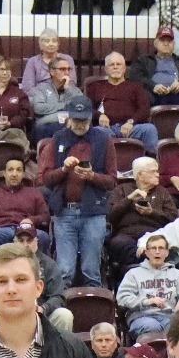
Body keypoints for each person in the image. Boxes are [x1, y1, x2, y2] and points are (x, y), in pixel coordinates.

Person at [34, 95, 115, 288]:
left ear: (91, 118)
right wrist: (64, 169)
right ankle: (61, 312)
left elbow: (112, 180)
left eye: (84, 120)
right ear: (69, 118)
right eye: (76, 119)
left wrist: (91, 176)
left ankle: (94, 312)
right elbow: (44, 180)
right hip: (64, 213)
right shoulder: (57, 139)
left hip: (94, 213)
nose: (80, 124)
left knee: (92, 270)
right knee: (64, 270)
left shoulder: (104, 139)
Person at [105, 157, 176, 275]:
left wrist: (152, 213)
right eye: (153, 171)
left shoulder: (162, 192)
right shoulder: (122, 189)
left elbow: (173, 219)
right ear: (140, 175)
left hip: (155, 234)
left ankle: (140, 269)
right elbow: (110, 215)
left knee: (160, 246)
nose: (158, 175)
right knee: (118, 243)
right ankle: (146, 266)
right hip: (126, 235)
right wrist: (129, 199)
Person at [116, 232, 179, 338]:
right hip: (141, 317)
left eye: (161, 248)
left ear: (167, 252)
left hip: (170, 316)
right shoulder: (133, 274)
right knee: (152, 327)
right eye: (153, 248)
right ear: (146, 252)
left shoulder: (177, 274)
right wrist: (147, 302)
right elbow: (122, 298)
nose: (157, 252)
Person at [85, 53, 158, 152]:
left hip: (131, 127)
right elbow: (86, 107)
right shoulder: (95, 86)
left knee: (149, 129)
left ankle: (150, 162)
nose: (115, 67)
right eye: (111, 65)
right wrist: (99, 115)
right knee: (96, 132)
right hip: (106, 128)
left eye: (118, 64)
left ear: (124, 68)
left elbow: (144, 109)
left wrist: (131, 122)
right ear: (106, 69)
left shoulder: (135, 87)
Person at [0, 158, 51, 251]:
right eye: (10, 170)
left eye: (18, 170)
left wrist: (31, 220)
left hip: (25, 231)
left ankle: (37, 265)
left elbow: (46, 216)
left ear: (23, 174)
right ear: (4, 173)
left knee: (42, 236)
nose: (14, 174)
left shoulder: (33, 193)